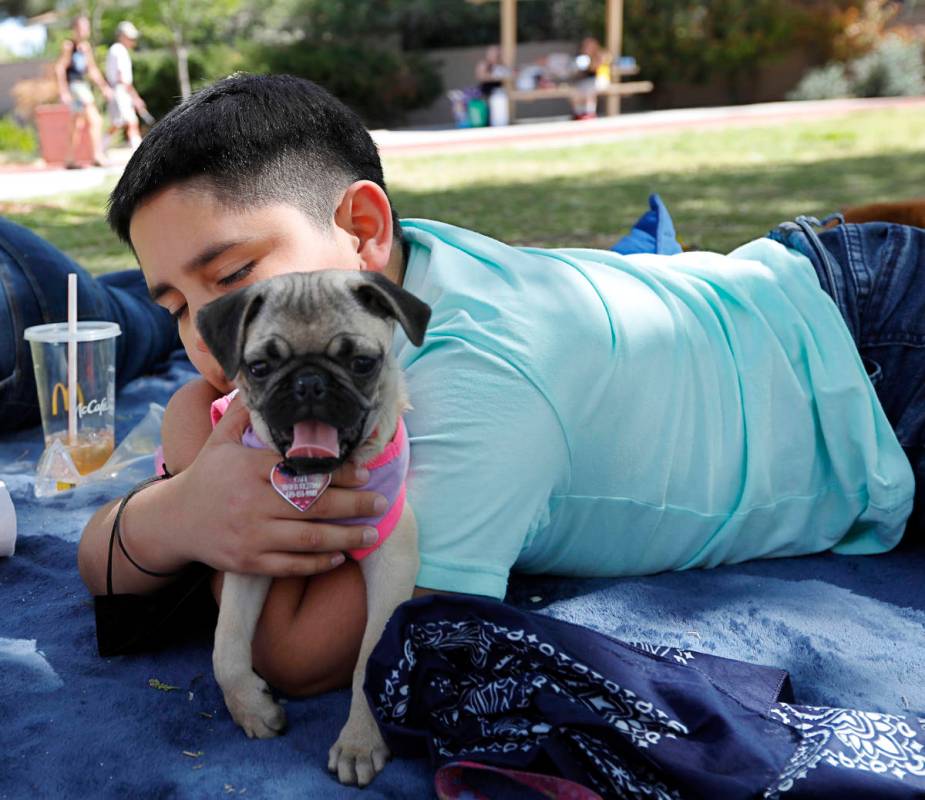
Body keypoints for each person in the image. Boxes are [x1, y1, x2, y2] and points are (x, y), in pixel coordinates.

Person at [1, 75, 920, 699]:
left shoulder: (464, 393)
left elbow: (295, 656)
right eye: (175, 303)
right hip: (812, 297)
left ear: (363, 230)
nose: (211, 340)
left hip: (876, 363)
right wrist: (184, 494)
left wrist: (195, 469)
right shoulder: (373, 302)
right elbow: (120, 552)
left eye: (233, 278)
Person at [54, 15, 112, 168]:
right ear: (74, 29)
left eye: (86, 27)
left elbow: (92, 70)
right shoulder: (69, 46)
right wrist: (63, 91)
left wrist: (104, 87)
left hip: (82, 85)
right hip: (75, 86)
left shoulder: (85, 48)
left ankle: (70, 160)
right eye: (81, 27)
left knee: (76, 124)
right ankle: (97, 156)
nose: (84, 30)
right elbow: (60, 68)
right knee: (96, 120)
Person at [105, 21, 148, 152]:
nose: (132, 41)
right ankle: (139, 154)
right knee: (130, 123)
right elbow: (122, 79)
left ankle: (99, 149)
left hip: (121, 91)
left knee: (120, 123)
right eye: (130, 37)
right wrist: (135, 98)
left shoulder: (118, 50)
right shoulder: (119, 50)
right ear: (122, 36)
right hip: (120, 91)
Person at [571, 37, 605, 120]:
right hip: (585, 82)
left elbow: (595, 68)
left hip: (599, 80)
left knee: (589, 89)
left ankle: (590, 112)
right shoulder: (581, 57)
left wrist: (590, 61)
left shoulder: (600, 55)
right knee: (576, 92)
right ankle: (579, 113)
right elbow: (578, 73)